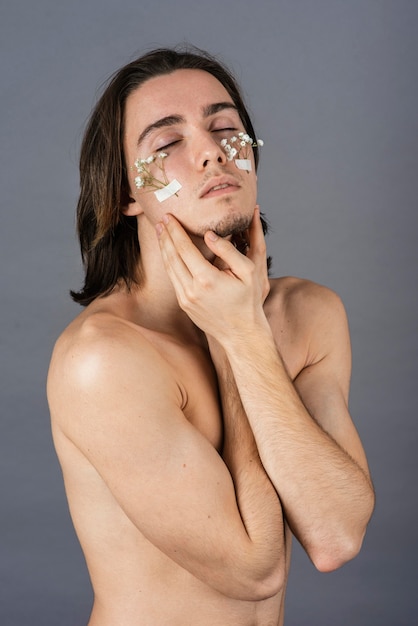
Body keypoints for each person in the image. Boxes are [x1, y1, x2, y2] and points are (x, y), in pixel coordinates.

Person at [47, 47, 375, 626]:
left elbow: (335, 535)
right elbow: (256, 570)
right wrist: (236, 342)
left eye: (226, 128)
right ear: (126, 191)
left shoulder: (309, 313)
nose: (210, 152)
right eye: (166, 144)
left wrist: (244, 330)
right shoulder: (102, 358)